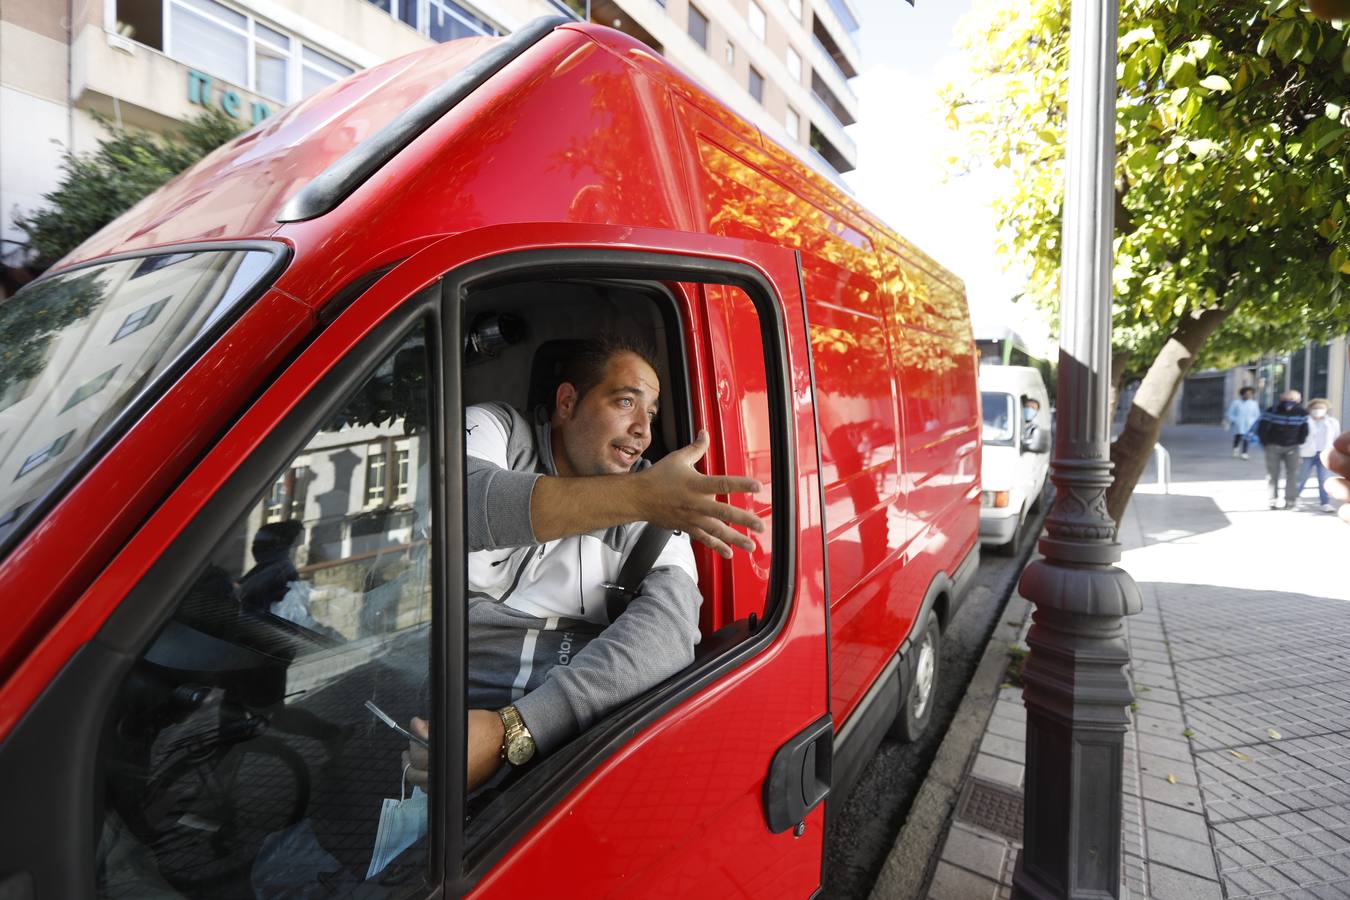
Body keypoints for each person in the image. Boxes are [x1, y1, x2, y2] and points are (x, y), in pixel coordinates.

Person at [407, 337, 764, 793]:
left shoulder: (657, 520)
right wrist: (640, 496)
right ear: (567, 402)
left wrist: (514, 731)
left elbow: (667, 636)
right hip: (420, 694)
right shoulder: (495, 428)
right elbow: (455, 505)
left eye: (651, 414)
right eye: (625, 401)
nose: (643, 430)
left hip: (548, 762)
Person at [1256, 389, 1310, 510]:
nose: (1289, 402)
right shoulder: (1272, 410)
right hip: (1273, 447)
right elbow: (1262, 428)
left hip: (1292, 447)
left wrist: (1299, 442)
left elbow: (1304, 430)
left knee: (1293, 475)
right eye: (1287, 399)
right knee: (1272, 474)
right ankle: (1272, 500)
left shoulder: (1302, 413)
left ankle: (1290, 501)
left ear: (1299, 400)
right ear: (1282, 399)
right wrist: (1266, 443)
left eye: (1293, 400)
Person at [1297, 399, 1342, 512]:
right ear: (1310, 409)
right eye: (1315, 408)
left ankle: (1325, 503)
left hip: (1325, 455)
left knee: (1324, 479)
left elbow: (1336, 438)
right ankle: (1294, 500)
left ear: (1326, 410)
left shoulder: (1332, 422)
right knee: (1301, 478)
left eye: (1321, 408)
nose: (1318, 410)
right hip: (1307, 453)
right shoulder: (1304, 421)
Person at [1224, 386, 1261, 459]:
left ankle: (1244, 453)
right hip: (1239, 424)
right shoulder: (1236, 403)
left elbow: (1257, 415)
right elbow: (1229, 413)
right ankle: (1235, 449)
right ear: (1242, 394)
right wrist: (1235, 420)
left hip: (1249, 425)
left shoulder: (1254, 404)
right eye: (1246, 394)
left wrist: (1254, 423)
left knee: (1247, 438)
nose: (1248, 395)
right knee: (1238, 438)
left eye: (1250, 394)